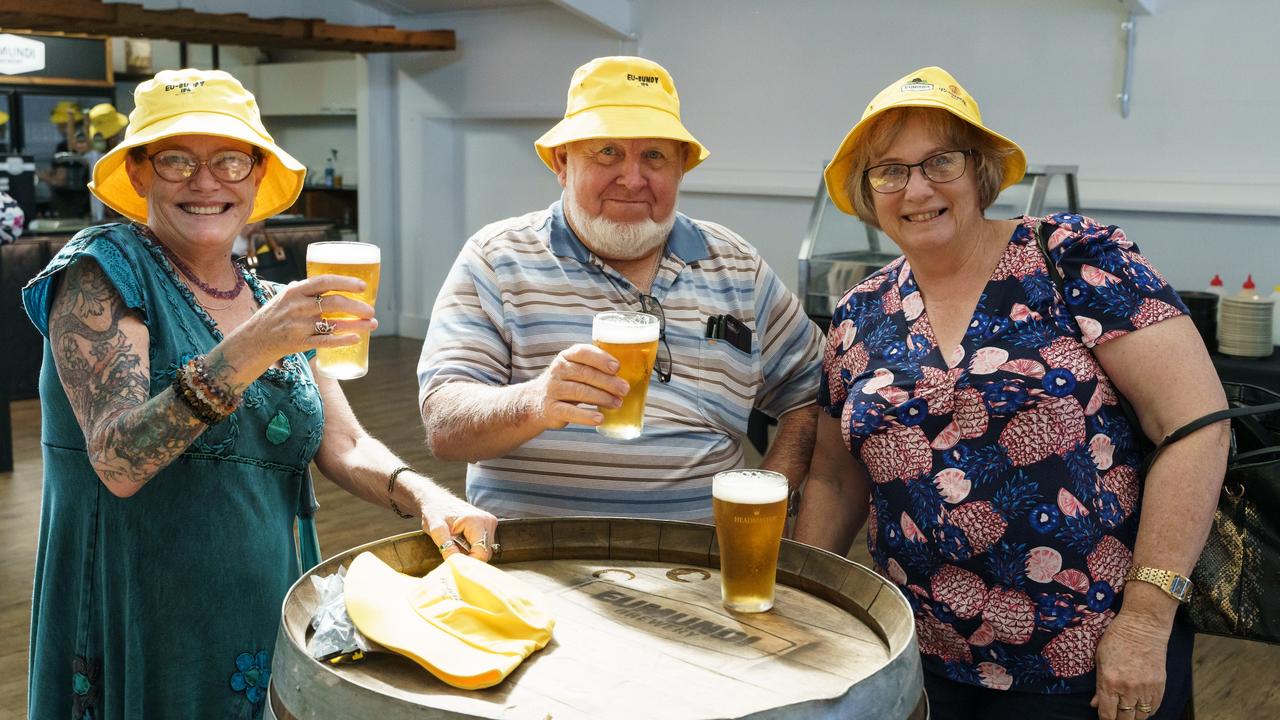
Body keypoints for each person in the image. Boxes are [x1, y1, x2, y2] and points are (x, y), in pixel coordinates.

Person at [22, 68, 496, 720]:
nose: (206, 181)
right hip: (139, 620)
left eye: (230, 161)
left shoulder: (273, 300)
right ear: (138, 175)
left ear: (256, 174)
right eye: (177, 159)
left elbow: (347, 444)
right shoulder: (101, 271)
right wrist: (251, 347)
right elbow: (118, 460)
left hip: (261, 610)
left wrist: (427, 495)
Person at [793, 67, 1228, 720]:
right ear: (867, 190)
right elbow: (834, 480)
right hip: (921, 660)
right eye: (889, 170)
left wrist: (1145, 622)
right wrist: (801, 608)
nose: (916, 188)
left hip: (1090, 660)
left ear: (980, 172)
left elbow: (1196, 426)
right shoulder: (859, 314)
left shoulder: (1075, 259)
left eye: (940, 161)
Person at [418, 56, 823, 521]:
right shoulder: (497, 259)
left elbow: (813, 390)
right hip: (536, 571)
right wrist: (534, 402)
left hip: (699, 573)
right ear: (562, 162)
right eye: (607, 151)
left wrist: (771, 497)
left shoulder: (736, 266)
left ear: (681, 168)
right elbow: (444, 425)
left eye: (654, 155)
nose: (632, 178)